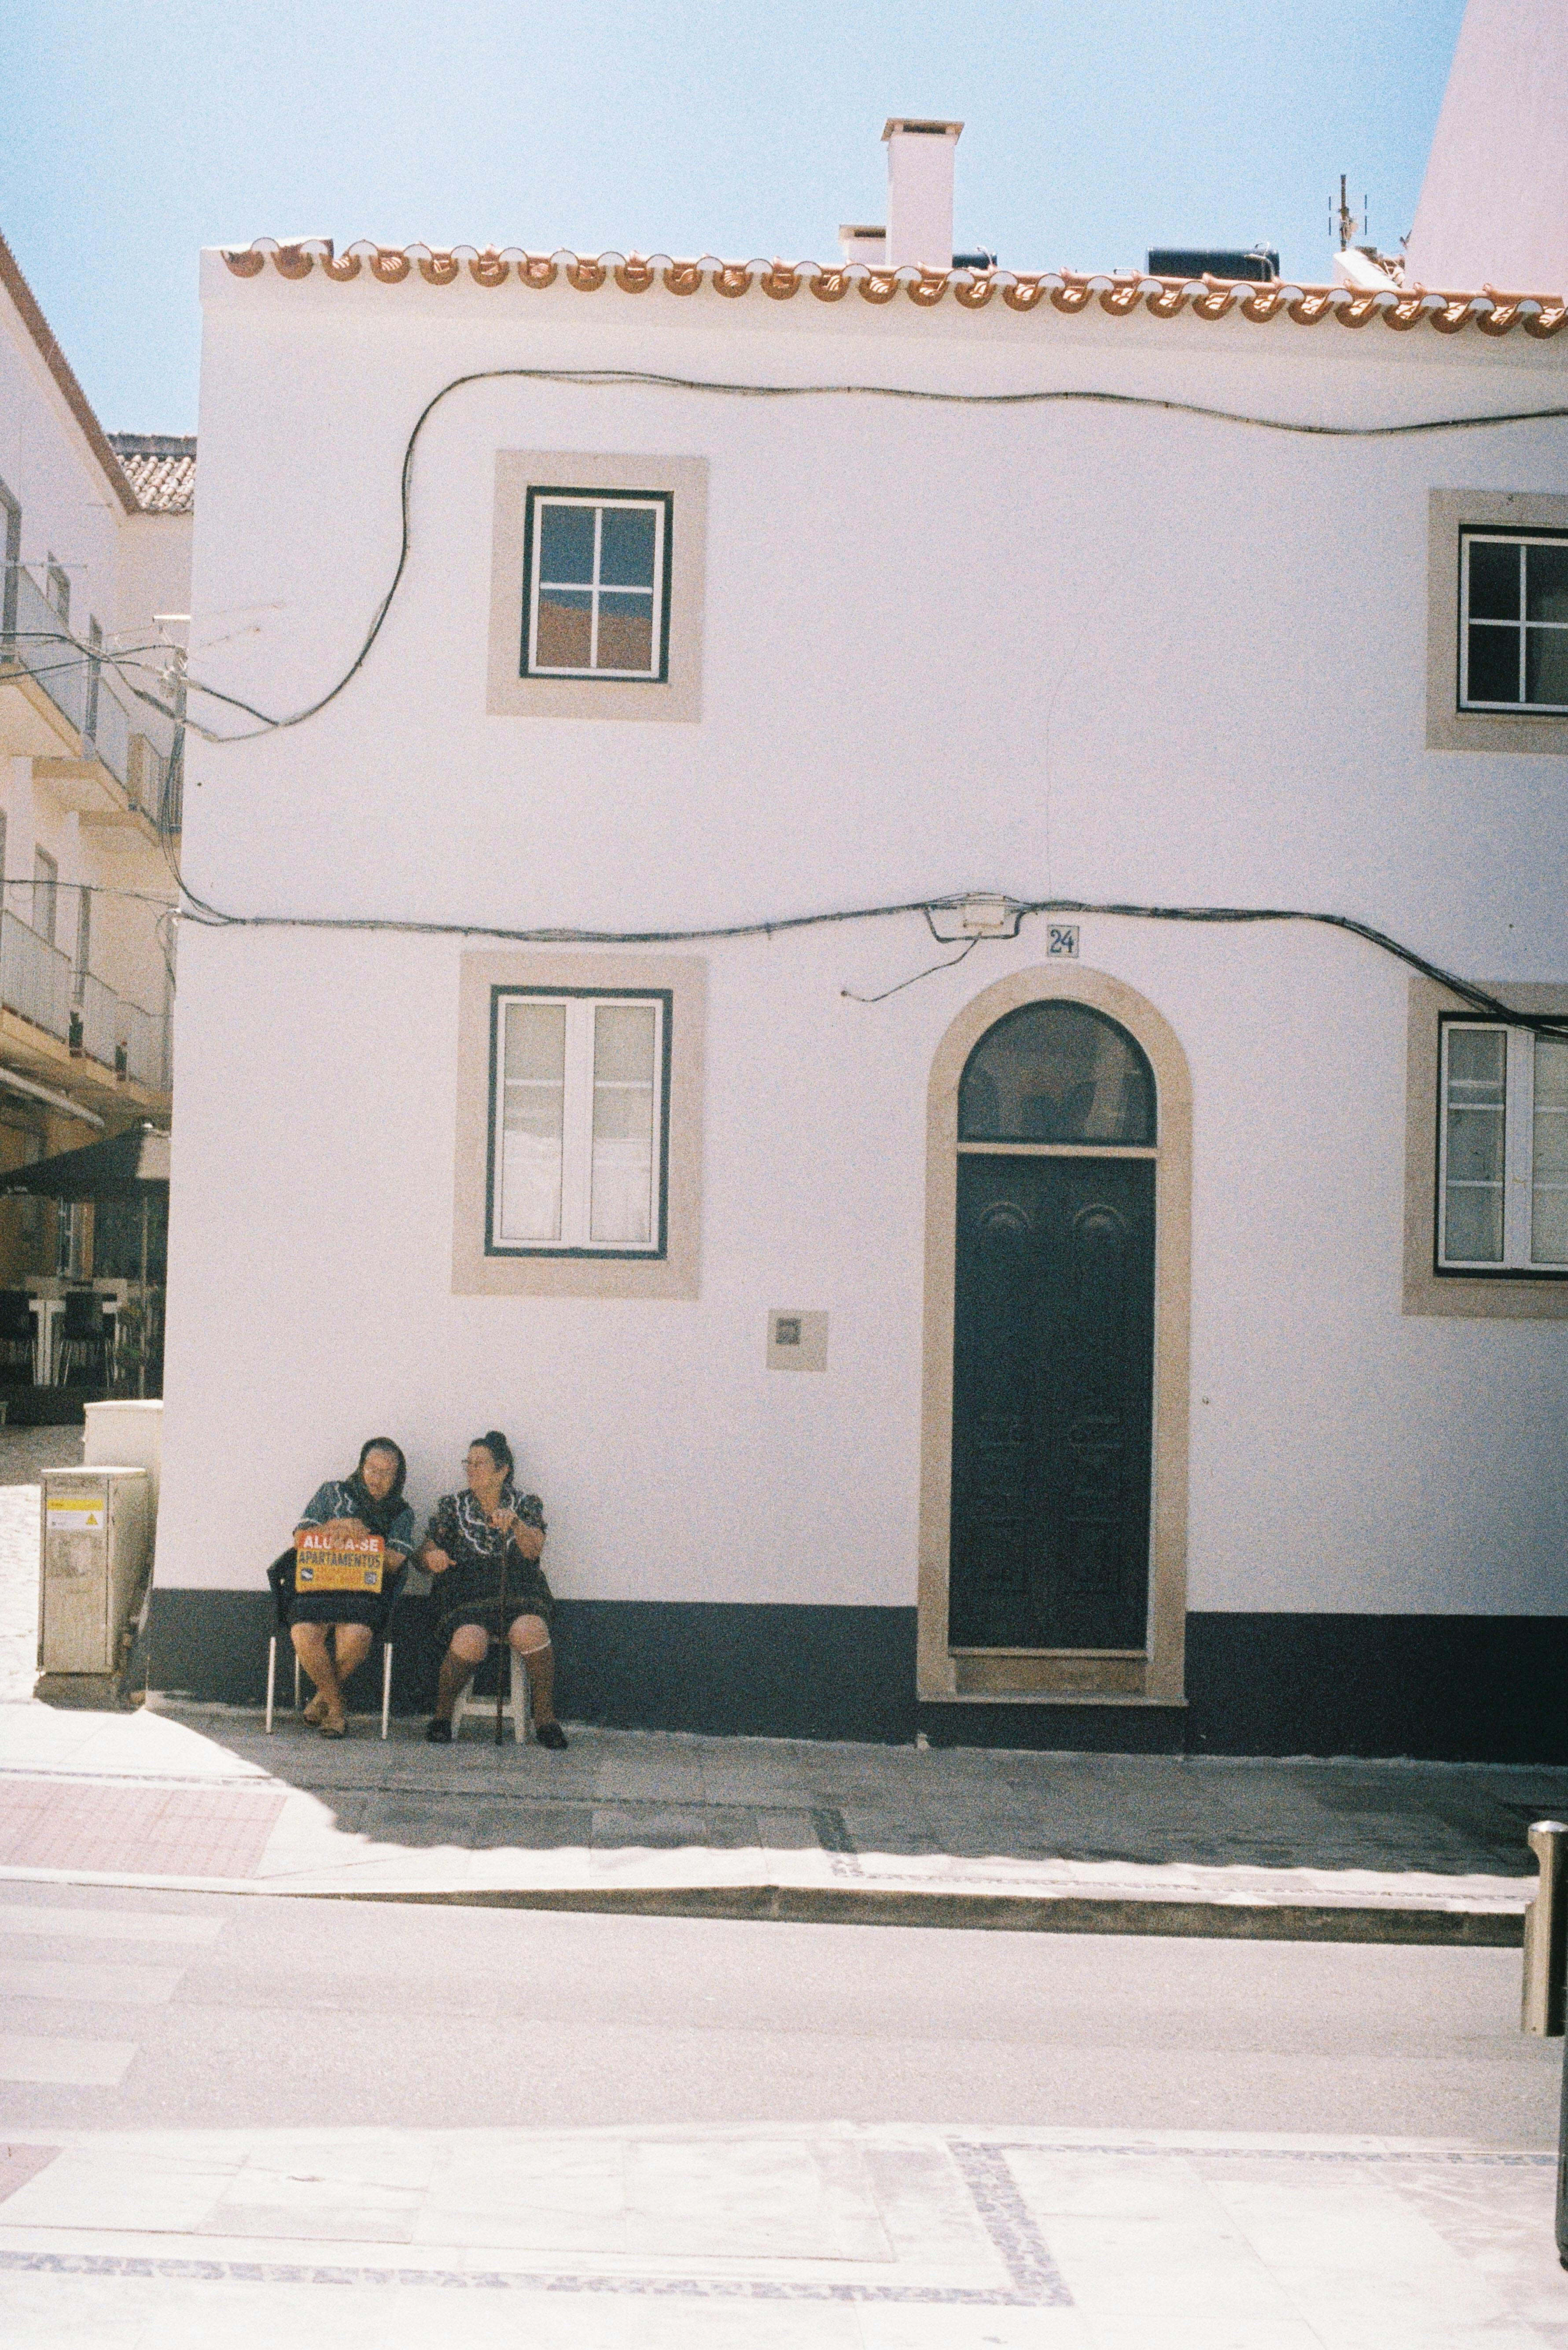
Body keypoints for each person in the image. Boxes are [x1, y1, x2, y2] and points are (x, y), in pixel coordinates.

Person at [420, 1431, 567, 1748]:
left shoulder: (526, 1504)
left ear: (502, 1471)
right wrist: (431, 1557)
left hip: (516, 1588)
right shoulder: (453, 1506)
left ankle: (545, 1717)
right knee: (470, 1640)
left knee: (532, 1630)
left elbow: (533, 1549)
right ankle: (442, 1715)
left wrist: (515, 1525)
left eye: (480, 1463)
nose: (471, 1469)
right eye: (468, 1463)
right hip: (466, 1593)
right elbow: (425, 1553)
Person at [287, 1438, 416, 1737]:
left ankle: (324, 1700)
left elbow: (395, 1562)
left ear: (398, 1477)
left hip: (363, 1591)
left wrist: (362, 1544)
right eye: (372, 1468)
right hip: (319, 1584)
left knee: (357, 1636)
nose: (377, 1477)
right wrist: (335, 1527)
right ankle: (336, 1708)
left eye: (387, 1473)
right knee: (304, 1633)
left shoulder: (401, 1512)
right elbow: (300, 1537)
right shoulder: (332, 1492)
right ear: (361, 1467)